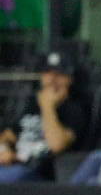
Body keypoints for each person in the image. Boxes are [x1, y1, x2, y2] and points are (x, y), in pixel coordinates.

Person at [0, 51, 87, 183]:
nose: (52, 79)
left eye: (58, 74)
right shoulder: (32, 105)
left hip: (38, 172)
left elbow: (57, 146)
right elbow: (7, 136)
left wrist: (48, 106)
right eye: (47, 73)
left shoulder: (74, 109)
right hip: (12, 164)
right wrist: (4, 150)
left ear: (69, 79)